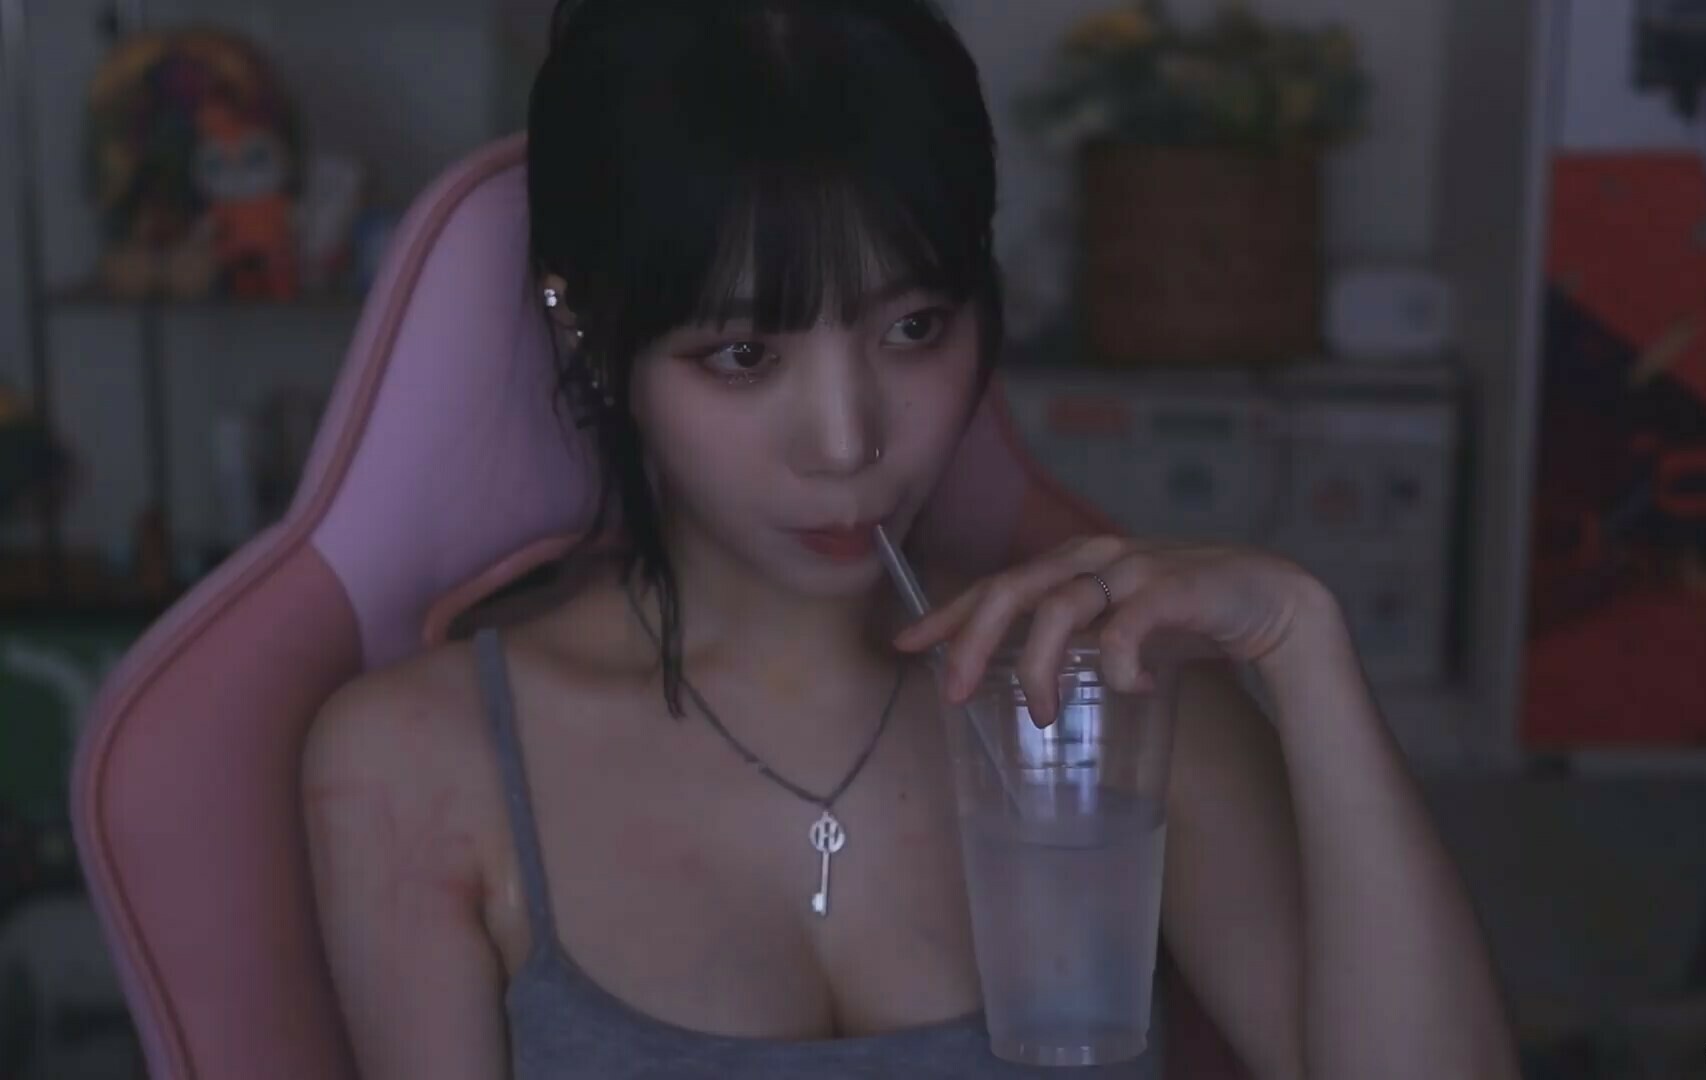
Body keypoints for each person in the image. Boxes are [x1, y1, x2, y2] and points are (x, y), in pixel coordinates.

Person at [301, 1, 1521, 1077]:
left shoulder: (1115, 700)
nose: (848, 443)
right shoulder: (421, 764)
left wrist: (1304, 644)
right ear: (590, 328)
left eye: (915, 328)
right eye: (744, 354)